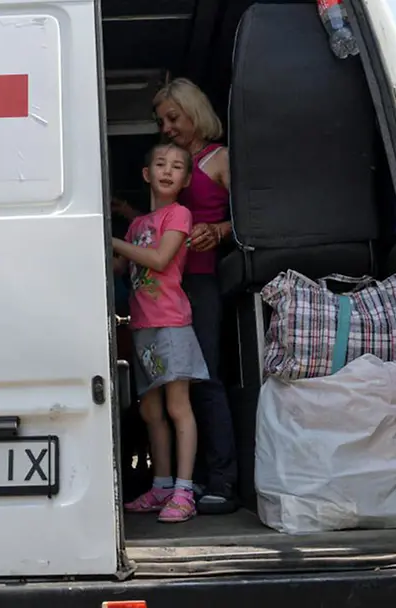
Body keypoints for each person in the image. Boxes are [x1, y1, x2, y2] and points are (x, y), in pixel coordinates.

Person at [152, 77, 240, 514]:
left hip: (203, 281)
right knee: (178, 385)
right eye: (162, 122)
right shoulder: (174, 165)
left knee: (205, 379)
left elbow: (251, 219)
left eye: (173, 118)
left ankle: (223, 480)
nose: (167, 128)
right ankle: (196, 478)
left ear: (194, 112)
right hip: (170, 285)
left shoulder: (220, 158)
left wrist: (219, 231)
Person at [112, 143, 210, 523]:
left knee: (177, 406)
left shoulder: (179, 214)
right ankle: (162, 486)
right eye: (160, 164)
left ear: (185, 180)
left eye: (177, 166)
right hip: (141, 327)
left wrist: (112, 241)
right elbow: (121, 267)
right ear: (146, 173)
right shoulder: (137, 226)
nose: (168, 170)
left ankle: (184, 492)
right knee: (150, 410)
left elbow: (158, 259)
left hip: (170, 323)